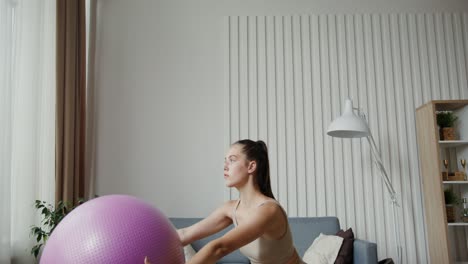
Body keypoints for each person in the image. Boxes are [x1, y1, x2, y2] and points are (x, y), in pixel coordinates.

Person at [145, 139, 303, 264]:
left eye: (232, 160)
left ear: (251, 166)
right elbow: (184, 235)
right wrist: (146, 245)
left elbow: (219, 248)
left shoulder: (268, 211)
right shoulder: (231, 209)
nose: (225, 166)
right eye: (225, 160)